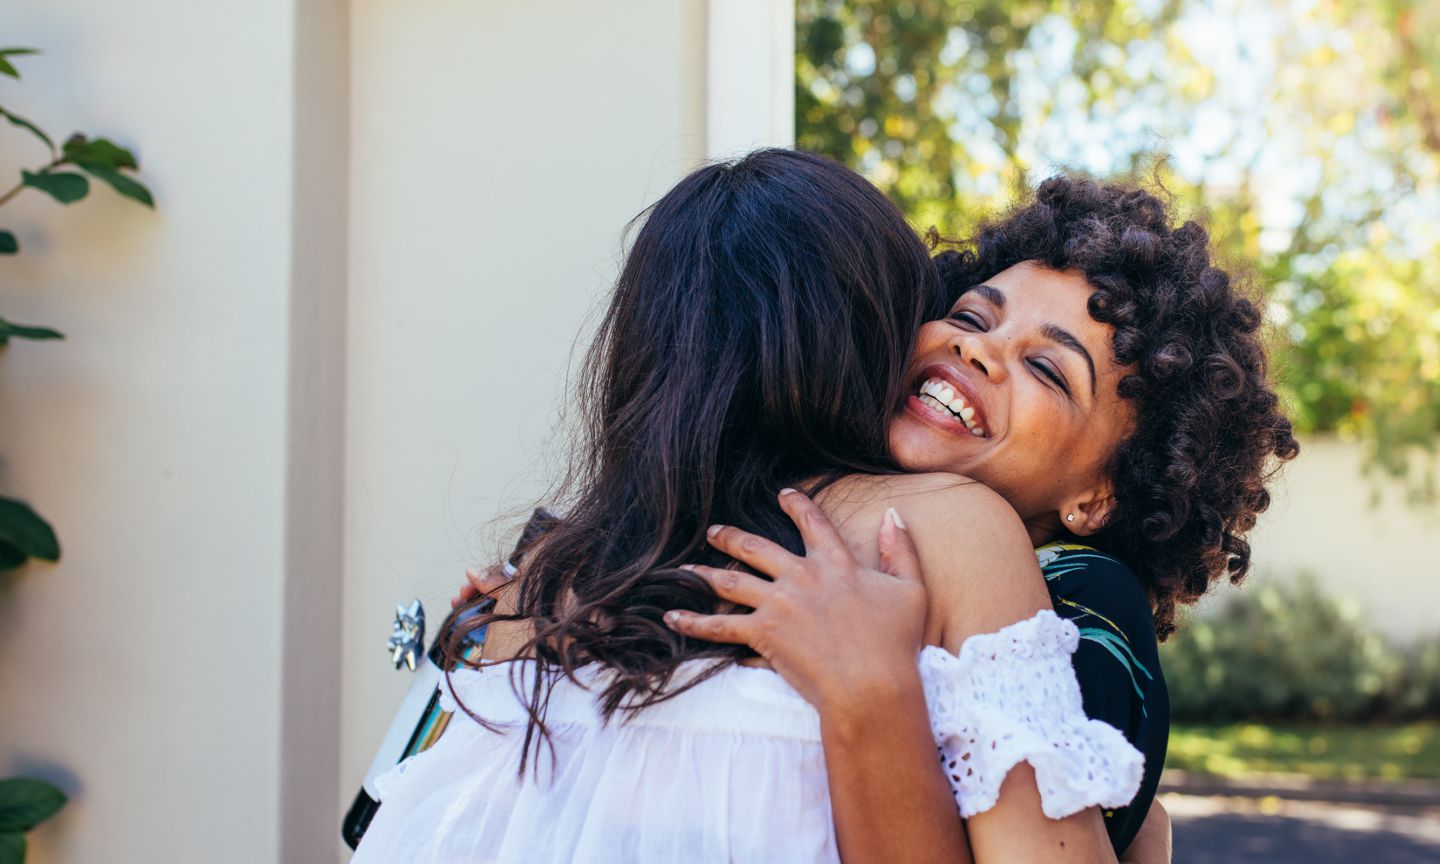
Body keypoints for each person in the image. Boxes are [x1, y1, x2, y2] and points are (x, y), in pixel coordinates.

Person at [358, 152, 1295, 863]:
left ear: (1102, 495)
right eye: (969, 316)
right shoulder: (651, 556)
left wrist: (871, 694)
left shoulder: (1079, 601)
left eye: (1049, 366)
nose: (977, 351)